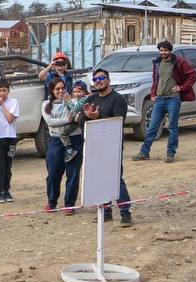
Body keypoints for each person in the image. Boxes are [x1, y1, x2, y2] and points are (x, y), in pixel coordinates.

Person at [133, 40, 196, 164]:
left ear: (170, 50)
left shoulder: (179, 62)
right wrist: (152, 94)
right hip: (159, 99)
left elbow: (193, 75)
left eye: (166, 50)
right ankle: (144, 152)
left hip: (173, 98)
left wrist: (181, 87)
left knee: (172, 127)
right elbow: (155, 80)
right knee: (152, 127)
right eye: (161, 50)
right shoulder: (157, 63)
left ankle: (170, 153)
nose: (163, 53)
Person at [82, 67, 132, 226]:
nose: (99, 81)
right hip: (95, 146)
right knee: (100, 179)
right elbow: (81, 121)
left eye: (102, 78)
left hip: (112, 145)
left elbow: (118, 121)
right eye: (95, 79)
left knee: (116, 179)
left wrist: (98, 117)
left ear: (108, 80)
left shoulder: (117, 99)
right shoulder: (92, 99)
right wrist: (88, 117)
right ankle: (106, 212)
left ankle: (125, 213)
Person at [41, 79, 82, 213]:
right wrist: (66, 120)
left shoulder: (71, 101)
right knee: (53, 172)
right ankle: (52, 201)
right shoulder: (46, 104)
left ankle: (69, 204)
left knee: (73, 173)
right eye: (57, 89)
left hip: (74, 138)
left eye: (62, 88)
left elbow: (77, 115)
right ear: (52, 90)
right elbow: (50, 122)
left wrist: (69, 102)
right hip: (56, 140)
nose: (60, 91)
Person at [0, 78, 19, 203]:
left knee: (8, 165)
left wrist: (2, 105)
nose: (2, 93)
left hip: (11, 138)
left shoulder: (14, 102)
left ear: (8, 91)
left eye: (4, 90)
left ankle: (7, 190)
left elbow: (10, 118)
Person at [56, 79, 91, 163]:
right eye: (74, 92)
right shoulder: (75, 100)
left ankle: (69, 149)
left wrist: (68, 102)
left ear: (84, 92)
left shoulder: (83, 100)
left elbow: (75, 109)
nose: (76, 94)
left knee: (62, 132)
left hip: (77, 121)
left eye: (79, 92)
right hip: (74, 119)